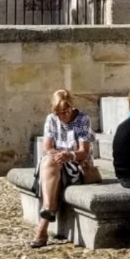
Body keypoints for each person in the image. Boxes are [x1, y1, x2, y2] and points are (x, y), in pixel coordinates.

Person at [30, 89, 100, 247]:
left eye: (65, 111)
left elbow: (84, 152)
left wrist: (69, 155)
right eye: (58, 112)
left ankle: (43, 224)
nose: (62, 116)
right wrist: (59, 156)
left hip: (77, 164)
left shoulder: (82, 119)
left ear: (71, 107)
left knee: (51, 168)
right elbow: (47, 147)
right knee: (50, 163)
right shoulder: (51, 119)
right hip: (56, 162)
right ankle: (47, 211)